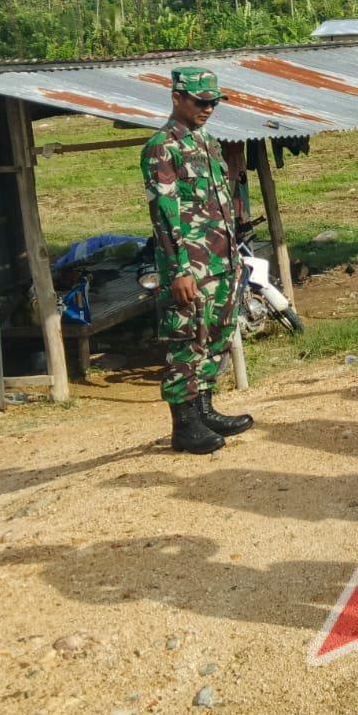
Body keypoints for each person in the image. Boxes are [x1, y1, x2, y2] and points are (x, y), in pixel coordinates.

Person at [140, 67, 252, 455]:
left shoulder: (207, 141)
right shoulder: (162, 148)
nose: (209, 108)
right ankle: (184, 424)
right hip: (191, 266)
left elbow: (221, 200)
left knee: (217, 334)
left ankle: (204, 408)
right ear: (177, 99)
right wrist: (179, 271)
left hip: (222, 259)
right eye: (201, 102)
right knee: (187, 339)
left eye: (213, 101)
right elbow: (165, 217)